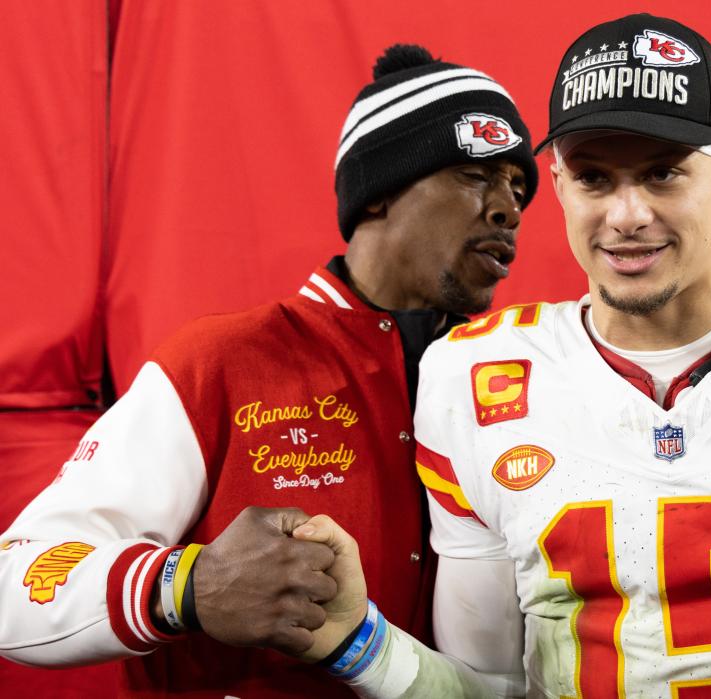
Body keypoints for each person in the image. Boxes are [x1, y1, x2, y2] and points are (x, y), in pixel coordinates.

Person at [292, 14, 711, 698]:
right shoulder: (471, 375)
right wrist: (361, 643)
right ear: (558, 186)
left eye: (663, 174)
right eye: (594, 178)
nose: (626, 214)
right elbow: (487, 686)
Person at [0, 44, 537, 697]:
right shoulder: (222, 360)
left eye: (517, 185)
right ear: (379, 192)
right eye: (475, 175)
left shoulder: (521, 383)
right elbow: (15, 585)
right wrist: (186, 585)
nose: (509, 208)